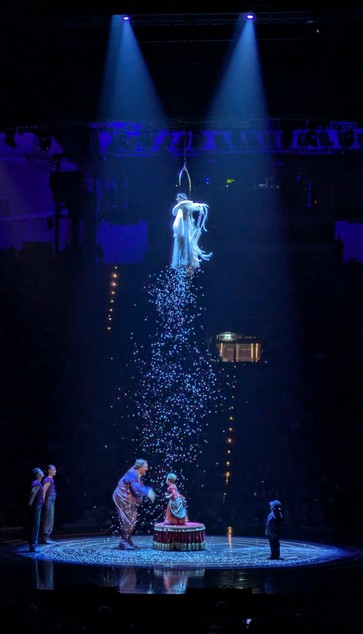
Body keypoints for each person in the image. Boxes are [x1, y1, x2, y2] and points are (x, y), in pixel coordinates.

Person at [112, 458, 156, 550]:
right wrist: (148, 492)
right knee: (129, 520)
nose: (147, 469)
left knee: (132, 519)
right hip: (122, 497)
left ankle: (127, 540)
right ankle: (124, 542)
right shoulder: (132, 473)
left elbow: (136, 489)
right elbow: (136, 488)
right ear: (139, 467)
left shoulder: (136, 475)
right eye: (145, 467)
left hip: (126, 498)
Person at [171, 192, 212, 270]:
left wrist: (176, 228)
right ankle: (187, 264)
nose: (176, 199)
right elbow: (197, 208)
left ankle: (186, 264)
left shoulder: (182, 208)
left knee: (184, 243)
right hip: (187, 227)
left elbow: (178, 219)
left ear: (182, 198)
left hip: (184, 227)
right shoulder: (188, 207)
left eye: (178, 197)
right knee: (187, 244)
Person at [28, 468, 44, 552]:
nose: (42, 472)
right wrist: (30, 504)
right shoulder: (37, 483)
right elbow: (32, 493)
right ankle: (33, 546)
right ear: (37, 475)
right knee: (35, 526)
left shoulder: (38, 483)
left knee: (35, 525)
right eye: (40, 471)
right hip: (36, 506)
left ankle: (33, 545)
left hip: (38, 506)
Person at [40, 464, 57, 544]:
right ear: (49, 471)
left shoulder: (50, 479)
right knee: (48, 518)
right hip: (49, 500)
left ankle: (47, 537)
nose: (55, 471)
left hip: (51, 499)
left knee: (50, 518)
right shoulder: (48, 479)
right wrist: (43, 500)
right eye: (53, 470)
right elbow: (44, 489)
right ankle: (45, 537)